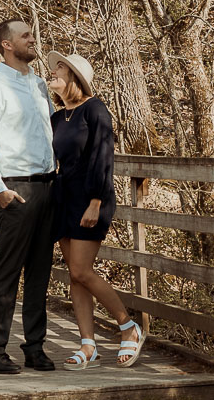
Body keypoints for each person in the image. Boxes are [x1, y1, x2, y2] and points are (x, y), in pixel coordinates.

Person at [45, 50, 145, 370]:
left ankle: (128, 327)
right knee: (75, 277)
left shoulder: (95, 109)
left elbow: (104, 156)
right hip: (63, 200)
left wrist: (96, 201)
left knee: (81, 270)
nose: (52, 71)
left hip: (91, 199)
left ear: (74, 76)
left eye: (59, 67)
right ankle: (88, 344)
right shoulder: (58, 117)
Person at [0, 18, 58, 374]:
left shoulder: (40, 85)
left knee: (40, 272)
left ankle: (34, 348)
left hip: (47, 186)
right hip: (16, 188)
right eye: (25, 36)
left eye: (31, 34)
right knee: (6, 273)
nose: (32, 39)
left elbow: (52, 134)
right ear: (7, 45)